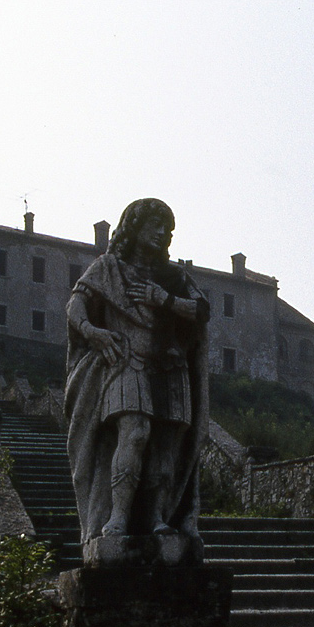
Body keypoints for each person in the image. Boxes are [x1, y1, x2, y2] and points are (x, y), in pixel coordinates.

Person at [64, 198, 210, 558]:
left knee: (165, 446)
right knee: (135, 432)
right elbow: (75, 304)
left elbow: (201, 311)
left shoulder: (174, 278)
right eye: (154, 226)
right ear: (134, 227)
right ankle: (117, 518)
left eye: (167, 229)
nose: (162, 234)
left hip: (170, 366)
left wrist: (163, 299)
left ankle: (158, 517)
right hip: (126, 362)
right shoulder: (108, 267)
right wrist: (92, 332)